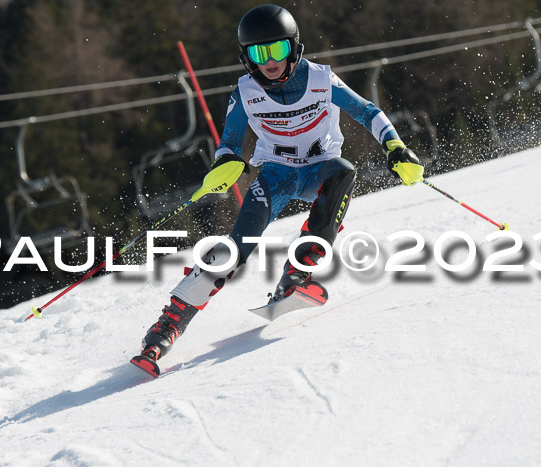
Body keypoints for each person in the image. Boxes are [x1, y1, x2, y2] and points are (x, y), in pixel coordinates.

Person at [138, 4, 424, 363]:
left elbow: (367, 110)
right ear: (247, 57)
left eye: (277, 50)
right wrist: (225, 163)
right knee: (236, 247)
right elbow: (229, 141)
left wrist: (395, 146)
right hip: (277, 174)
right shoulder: (245, 92)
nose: (269, 61)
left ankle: (297, 273)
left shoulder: (321, 79)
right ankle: (168, 325)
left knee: (343, 172)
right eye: (259, 53)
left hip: (320, 168)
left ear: (294, 46)